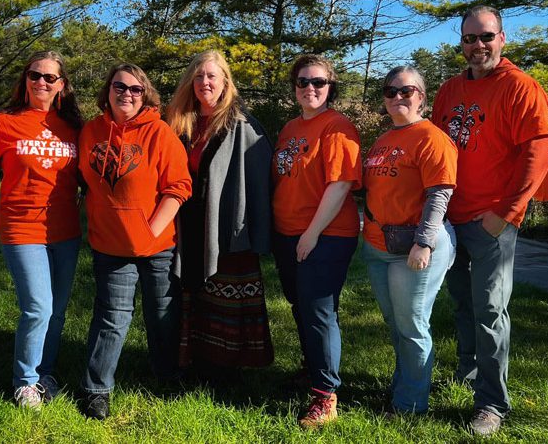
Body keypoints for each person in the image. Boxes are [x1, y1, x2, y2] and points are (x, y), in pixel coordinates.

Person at [432, 6, 548, 436]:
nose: (477, 46)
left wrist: (506, 213)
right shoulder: (448, 90)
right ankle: (468, 376)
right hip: (451, 219)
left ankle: (491, 403)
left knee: (489, 312)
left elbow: (537, 154)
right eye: (469, 39)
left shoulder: (521, 88)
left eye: (485, 37)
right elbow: (434, 147)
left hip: (492, 223)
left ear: (503, 38)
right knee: (463, 305)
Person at [78, 63, 192, 420]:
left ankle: (166, 374)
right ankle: (97, 389)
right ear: (107, 91)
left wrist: (152, 230)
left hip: (157, 246)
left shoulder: (160, 133)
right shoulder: (91, 132)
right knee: (112, 317)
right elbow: (84, 179)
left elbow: (179, 186)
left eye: (135, 89)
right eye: (119, 87)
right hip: (110, 246)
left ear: (145, 95)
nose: (126, 94)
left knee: (161, 314)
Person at [166, 50, 273, 374]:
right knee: (191, 291)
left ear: (225, 81)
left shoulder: (242, 124)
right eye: (198, 76)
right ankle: (190, 360)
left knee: (226, 295)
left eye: (211, 76)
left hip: (227, 226)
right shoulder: (178, 121)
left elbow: (259, 181)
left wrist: (251, 229)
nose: (204, 82)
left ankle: (228, 365)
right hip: (187, 222)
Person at [0, 51, 82, 408]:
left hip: (65, 229)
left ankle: (45, 371)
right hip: (21, 227)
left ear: (62, 86)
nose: (41, 82)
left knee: (57, 309)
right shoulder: (2, 123)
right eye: (35, 75)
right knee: (38, 307)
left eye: (50, 78)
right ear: (25, 80)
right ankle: (24, 380)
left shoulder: (73, 127)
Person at [271, 54, 362, 429]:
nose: (310, 88)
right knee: (301, 306)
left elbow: (340, 184)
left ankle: (326, 395)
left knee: (319, 312)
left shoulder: (339, 127)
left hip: (325, 236)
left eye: (318, 82)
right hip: (287, 232)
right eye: (303, 82)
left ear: (331, 87)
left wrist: (311, 234)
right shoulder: (290, 128)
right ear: (294, 88)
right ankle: (312, 371)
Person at [361, 66, 457, 414]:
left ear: (422, 96)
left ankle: (410, 406)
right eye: (390, 92)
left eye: (406, 90)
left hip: (413, 247)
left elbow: (439, 194)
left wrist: (425, 242)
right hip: (377, 245)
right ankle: (403, 385)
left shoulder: (431, 138)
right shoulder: (384, 139)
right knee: (396, 323)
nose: (398, 97)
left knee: (412, 325)